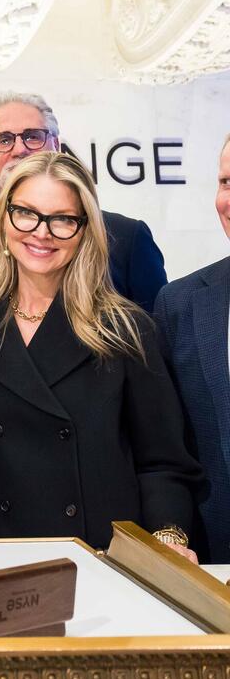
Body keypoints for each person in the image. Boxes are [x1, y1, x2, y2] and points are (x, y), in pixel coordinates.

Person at [0, 149, 199, 553]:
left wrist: (168, 538)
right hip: (4, 560)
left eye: (63, 219)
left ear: (85, 230)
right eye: (26, 213)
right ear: (3, 220)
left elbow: (164, 463)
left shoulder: (125, 330)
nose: (41, 232)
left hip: (104, 555)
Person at [0, 91, 167, 312]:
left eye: (33, 137)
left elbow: (155, 339)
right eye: (3, 139)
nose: (19, 149)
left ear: (56, 146)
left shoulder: (127, 236)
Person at [154, 134, 230, 561]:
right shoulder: (180, 303)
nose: (228, 198)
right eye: (226, 182)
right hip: (217, 563)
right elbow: (167, 449)